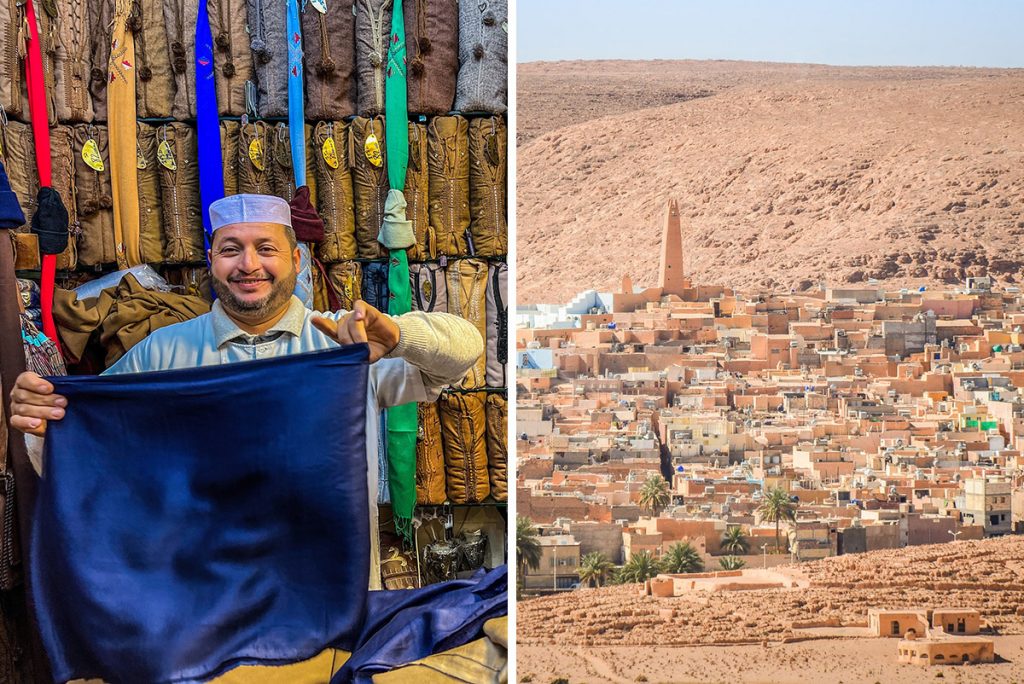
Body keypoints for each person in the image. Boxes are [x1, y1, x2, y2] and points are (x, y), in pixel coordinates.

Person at [8, 193, 483, 588]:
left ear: (296, 260)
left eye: (266, 248)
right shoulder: (163, 353)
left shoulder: (345, 343)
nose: (248, 264)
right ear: (211, 261)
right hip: (203, 601)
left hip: (327, 590)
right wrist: (43, 420)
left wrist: (398, 337)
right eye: (231, 249)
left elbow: (465, 351)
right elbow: (88, 445)